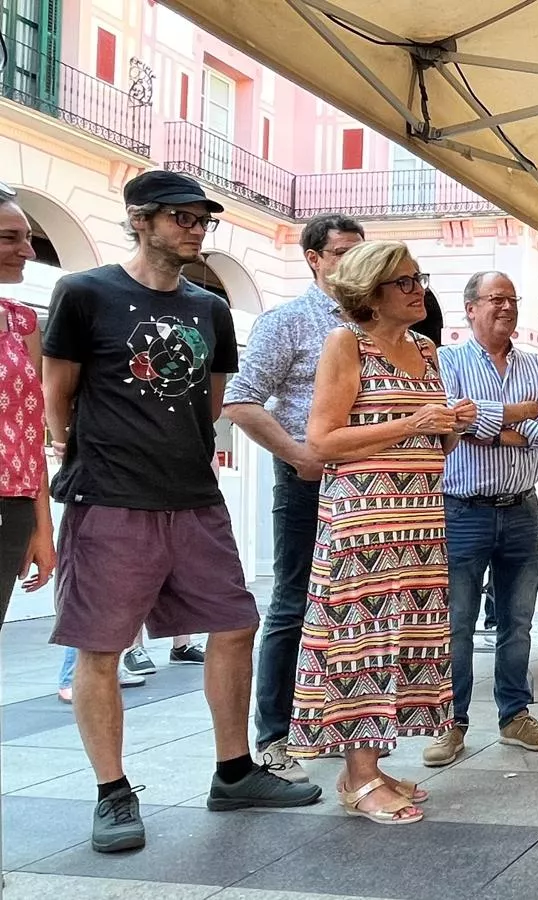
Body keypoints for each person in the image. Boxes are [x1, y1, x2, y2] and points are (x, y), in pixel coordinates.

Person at [42, 170, 322, 853]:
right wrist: (80, 455)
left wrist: (189, 460)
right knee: (101, 648)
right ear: (141, 219)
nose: (196, 229)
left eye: (203, 219)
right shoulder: (84, 293)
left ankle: (233, 772)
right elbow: (59, 393)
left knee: (235, 623)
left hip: (193, 497)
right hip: (110, 496)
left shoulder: (209, 308)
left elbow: (211, 399)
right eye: (182, 218)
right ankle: (112, 793)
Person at [291, 240, 471, 825]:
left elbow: (425, 439)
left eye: (419, 278)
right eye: (405, 282)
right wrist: (414, 421)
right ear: (371, 293)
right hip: (364, 523)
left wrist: (449, 425)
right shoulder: (347, 343)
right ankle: (362, 778)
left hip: (419, 520)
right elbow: (322, 440)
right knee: (361, 644)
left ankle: (362, 769)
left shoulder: (425, 347)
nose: (419, 289)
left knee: (400, 642)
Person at [223, 213, 364, 783]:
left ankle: (332, 724)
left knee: (353, 606)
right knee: (292, 604)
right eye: (340, 253)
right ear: (314, 259)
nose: (352, 262)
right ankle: (276, 735)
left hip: (370, 489)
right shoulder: (289, 321)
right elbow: (241, 399)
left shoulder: (372, 323)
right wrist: (300, 454)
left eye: (359, 251)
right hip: (310, 482)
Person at [424, 271, 538, 767]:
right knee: (457, 623)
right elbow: (452, 418)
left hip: (522, 509)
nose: (506, 307)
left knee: (518, 621)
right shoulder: (446, 362)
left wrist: (491, 426)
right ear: (470, 308)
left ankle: (515, 716)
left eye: (512, 299)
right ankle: (452, 723)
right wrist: (516, 414)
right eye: (495, 299)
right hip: (463, 509)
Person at [0, 183, 54, 618]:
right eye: (9, 237)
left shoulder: (22, 322)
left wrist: (42, 526)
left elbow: (32, 431)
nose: (28, 251)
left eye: (28, 238)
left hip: (12, 508)